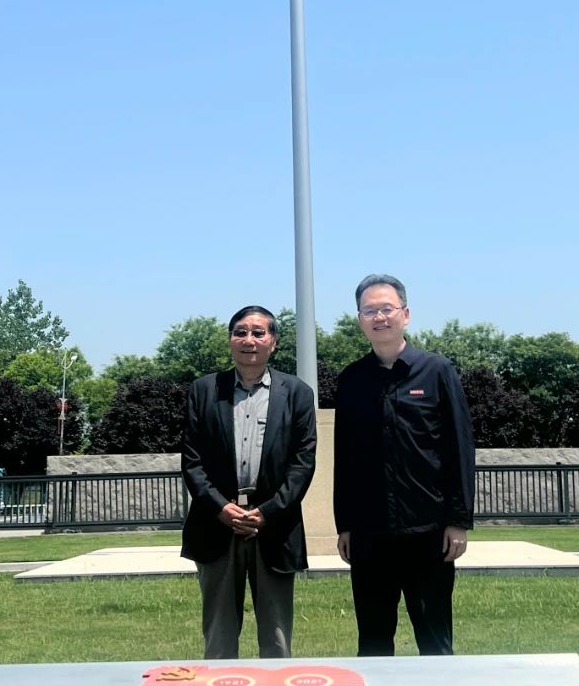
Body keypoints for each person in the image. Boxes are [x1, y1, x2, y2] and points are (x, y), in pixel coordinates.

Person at [333, 275, 475, 656]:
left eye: (387, 309)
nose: (379, 317)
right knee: (373, 642)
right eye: (369, 311)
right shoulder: (351, 380)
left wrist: (458, 521)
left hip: (428, 531)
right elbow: (344, 458)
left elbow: (460, 449)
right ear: (360, 320)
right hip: (369, 534)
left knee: (435, 640)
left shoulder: (437, 371)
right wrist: (344, 524)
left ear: (405, 314)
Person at [181, 305, 317, 658]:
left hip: (274, 527)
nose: (249, 340)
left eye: (259, 332)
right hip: (216, 525)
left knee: (277, 639)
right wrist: (221, 508)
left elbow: (302, 464)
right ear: (230, 340)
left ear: (273, 341)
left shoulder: (297, 393)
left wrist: (268, 512)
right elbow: (192, 462)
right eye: (240, 332)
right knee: (218, 638)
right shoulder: (203, 390)